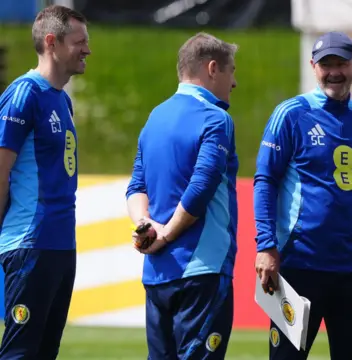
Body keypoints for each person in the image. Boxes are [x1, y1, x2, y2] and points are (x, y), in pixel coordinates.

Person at [253, 31, 352, 360]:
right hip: (298, 267)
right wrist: (265, 246)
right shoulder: (290, 114)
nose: (334, 72)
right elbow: (265, 181)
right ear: (313, 66)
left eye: (341, 63)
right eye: (325, 64)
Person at [125, 32, 239, 360]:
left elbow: (136, 187)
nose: (234, 83)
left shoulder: (155, 117)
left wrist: (146, 225)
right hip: (201, 268)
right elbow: (201, 187)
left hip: (158, 274)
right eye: (232, 72)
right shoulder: (216, 119)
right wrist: (167, 235)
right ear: (213, 68)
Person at [0, 5, 90, 359]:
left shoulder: (62, 100)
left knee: (44, 352)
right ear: (52, 42)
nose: (88, 49)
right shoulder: (24, 95)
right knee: (20, 353)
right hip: (30, 244)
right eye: (79, 41)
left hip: (60, 246)